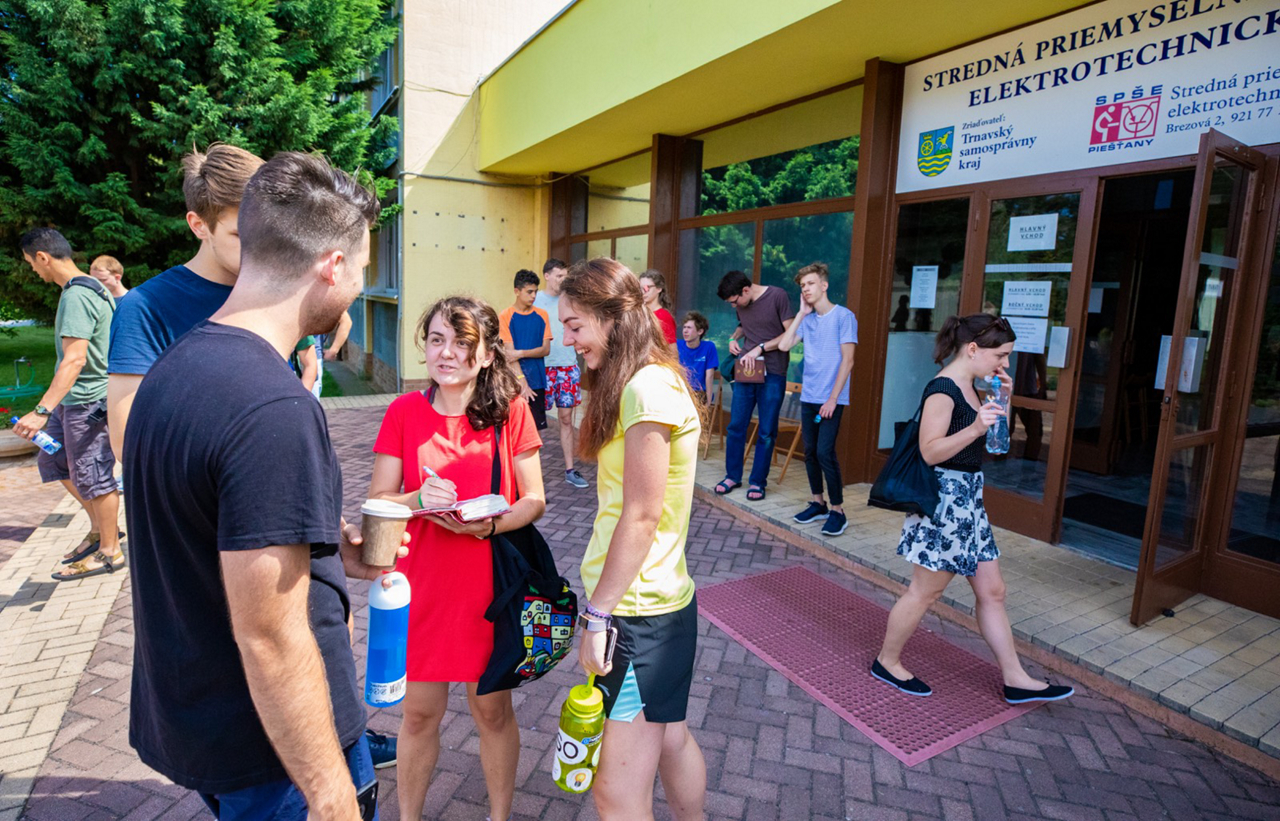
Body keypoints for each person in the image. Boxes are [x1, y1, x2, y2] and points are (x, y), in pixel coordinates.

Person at [124, 152, 404, 820]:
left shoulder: (174, 366)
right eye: (361, 269)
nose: (359, 289)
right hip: (273, 751)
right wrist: (332, 793)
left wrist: (322, 545)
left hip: (205, 717)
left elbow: (202, 524)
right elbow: (271, 636)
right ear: (331, 266)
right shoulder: (271, 407)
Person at [368, 296, 545, 821]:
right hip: (419, 585)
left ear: (488, 354)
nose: (446, 353)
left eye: (462, 343)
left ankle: (498, 816)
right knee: (419, 715)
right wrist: (419, 500)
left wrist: (490, 523)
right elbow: (380, 500)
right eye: (437, 340)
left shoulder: (509, 412)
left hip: (487, 589)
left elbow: (533, 499)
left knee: (491, 711)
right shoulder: (403, 412)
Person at [559, 258, 706, 821]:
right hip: (652, 602)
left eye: (576, 326)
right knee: (669, 743)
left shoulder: (646, 387)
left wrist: (597, 616)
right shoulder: (644, 381)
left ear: (614, 316)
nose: (568, 340)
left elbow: (641, 516)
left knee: (616, 795)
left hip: (637, 614)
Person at [871, 314, 1075, 705]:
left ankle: (1015, 678)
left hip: (968, 502)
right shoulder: (943, 390)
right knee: (924, 592)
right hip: (944, 503)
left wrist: (1003, 400)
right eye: (1000, 355)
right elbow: (930, 452)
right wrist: (976, 427)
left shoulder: (970, 385)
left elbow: (990, 442)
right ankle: (887, 661)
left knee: (993, 591)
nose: (1004, 364)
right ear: (973, 349)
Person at [106, 143, 265, 463]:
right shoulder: (145, 307)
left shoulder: (269, 291)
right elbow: (127, 441)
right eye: (241, 233)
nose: (259, 245)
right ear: (198, 225)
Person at [13, 229, 123, 581]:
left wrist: (41, 410)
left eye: (32, 263)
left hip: (87, 401)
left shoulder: (77, 295)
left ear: (43, 256)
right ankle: (99, 530)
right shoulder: (85, 288)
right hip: (74, 400)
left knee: (93, 473)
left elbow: (75, 359)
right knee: (55, 459)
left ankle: (110, 551)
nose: (33, 271)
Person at [776, 263, 857, 537]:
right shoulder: (807, 320)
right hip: (810, 398)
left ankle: (838, 510)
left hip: (831, 400)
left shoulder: (844, 317)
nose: (806, 289)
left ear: (824, 285)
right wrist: (800, 313)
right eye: (802, 286)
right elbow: (785, 346)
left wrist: (833, 399)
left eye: (810, 284)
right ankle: (818, 502)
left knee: (825, 452)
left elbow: (848, 360)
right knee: (810, 452)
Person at [713, 269, 794, 502]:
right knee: (736, 425)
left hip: (774, 373)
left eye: (734, 301)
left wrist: (761, 347)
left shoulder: (777, 296)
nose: (733, 306)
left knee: (767, 431)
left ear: (746, 290)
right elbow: (742, 326)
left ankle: (758, 482)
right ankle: (732, 476)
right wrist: (732, 338)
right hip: (746, 371)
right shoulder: (741, 303)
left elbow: (790, 335)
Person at [534, 258, 589, 488]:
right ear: (547, 275)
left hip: (567, 367)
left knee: (566, 419)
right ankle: (533, 474)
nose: (562, 280)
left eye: (565, 276)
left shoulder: (571, 300)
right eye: (558, 276)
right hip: (541, 368)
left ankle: (569, 469)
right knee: (535, 423)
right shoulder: (534, 301)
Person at [498, 269, 551, 431]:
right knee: (514, 430)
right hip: (513, 383)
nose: (533, 296)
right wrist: (522, 381)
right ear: (517, 291)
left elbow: (545, 349)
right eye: (529, 292)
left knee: (536, 431)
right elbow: (508, 354)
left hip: (538, 382)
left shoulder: (542, 315)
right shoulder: (505, 316)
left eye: (535, 291)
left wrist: (521, 353)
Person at [677, 310, 718, 405]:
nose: (685, 331)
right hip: (679, 391)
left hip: (698, 393)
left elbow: (710, 375)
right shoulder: (676, 344)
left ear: (700, 331)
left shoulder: (709, 347)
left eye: (689, 328)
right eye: (684, 327)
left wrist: (708, 400)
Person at [638, 269, 677, 346]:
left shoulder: (664, 317)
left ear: (659, 288)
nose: (643, 292)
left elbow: (672, 352)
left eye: (647, 287)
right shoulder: (637, 313)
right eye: (640, 288)